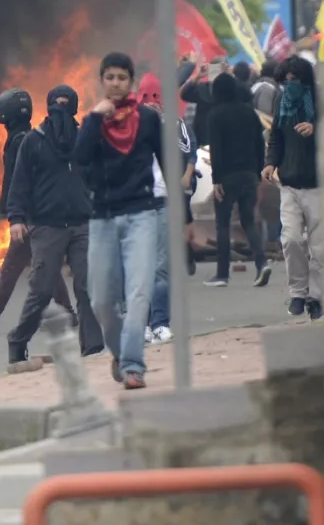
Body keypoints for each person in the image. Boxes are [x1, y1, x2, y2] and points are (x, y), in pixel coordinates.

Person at [75, 52, 163, 391]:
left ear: (131, 82)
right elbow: (80, 159)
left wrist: (180, 213)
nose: (115, 83)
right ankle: (120, 351)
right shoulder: (92, 122)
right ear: (102, 81)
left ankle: (133, 365)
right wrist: (95, 119)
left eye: (121, 78)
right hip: (102, 219)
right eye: (109, 77)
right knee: (100, 300)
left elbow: (167, 159)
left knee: (139, 292)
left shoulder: (148, 119)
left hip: (142, 213)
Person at [0, 88, 75, 333]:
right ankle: (67, 312)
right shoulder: (30, 136)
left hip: (31, 216)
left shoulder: (18, 141)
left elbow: (15, 179)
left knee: (15, 267)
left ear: (5, 114)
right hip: (36, 213)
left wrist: (9, 209)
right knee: (43, 265)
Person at [4, 86, 103, 364]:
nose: (61, 107)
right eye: (56, 103)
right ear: (47, 106)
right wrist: (16, 218)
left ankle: (93, 348)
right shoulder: (34, 141)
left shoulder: (84, 139)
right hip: (47, 226)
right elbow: (19, 182)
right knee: (42, 290)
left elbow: (97, 176)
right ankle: (18, 339)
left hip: (82, 223)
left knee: (87, 288)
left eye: (66, 103)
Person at [136, 73, 196, 345]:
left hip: (163, 201)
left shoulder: (172, 123)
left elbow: (185, 146)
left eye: (154, 98)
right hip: (136, 202)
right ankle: (143, 324)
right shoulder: (128, 125)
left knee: (160, 266)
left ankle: (159, 322)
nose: (150, 103)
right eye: (145, 98)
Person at [265, 56, 321, 319]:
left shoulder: (319, 100)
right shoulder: (281, 101)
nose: (290, 85)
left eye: (295, 79)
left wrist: (315, 128)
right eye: (286, 80)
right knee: (291, 239)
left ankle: (317, 297)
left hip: (317, 185)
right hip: (288, 182)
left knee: (319, 247)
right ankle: (298, 293)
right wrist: (270, 163)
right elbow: (276, 136)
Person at [203, 71, 270, 288]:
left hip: (227, 176)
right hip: (250, 174)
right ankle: (261, 263)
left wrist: (216, 179)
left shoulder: (215, 115)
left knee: (222, 223)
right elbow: (260, 145)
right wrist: (259, 171)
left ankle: (222, 274)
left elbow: (217, 149)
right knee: (248, 220)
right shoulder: (249, 112)